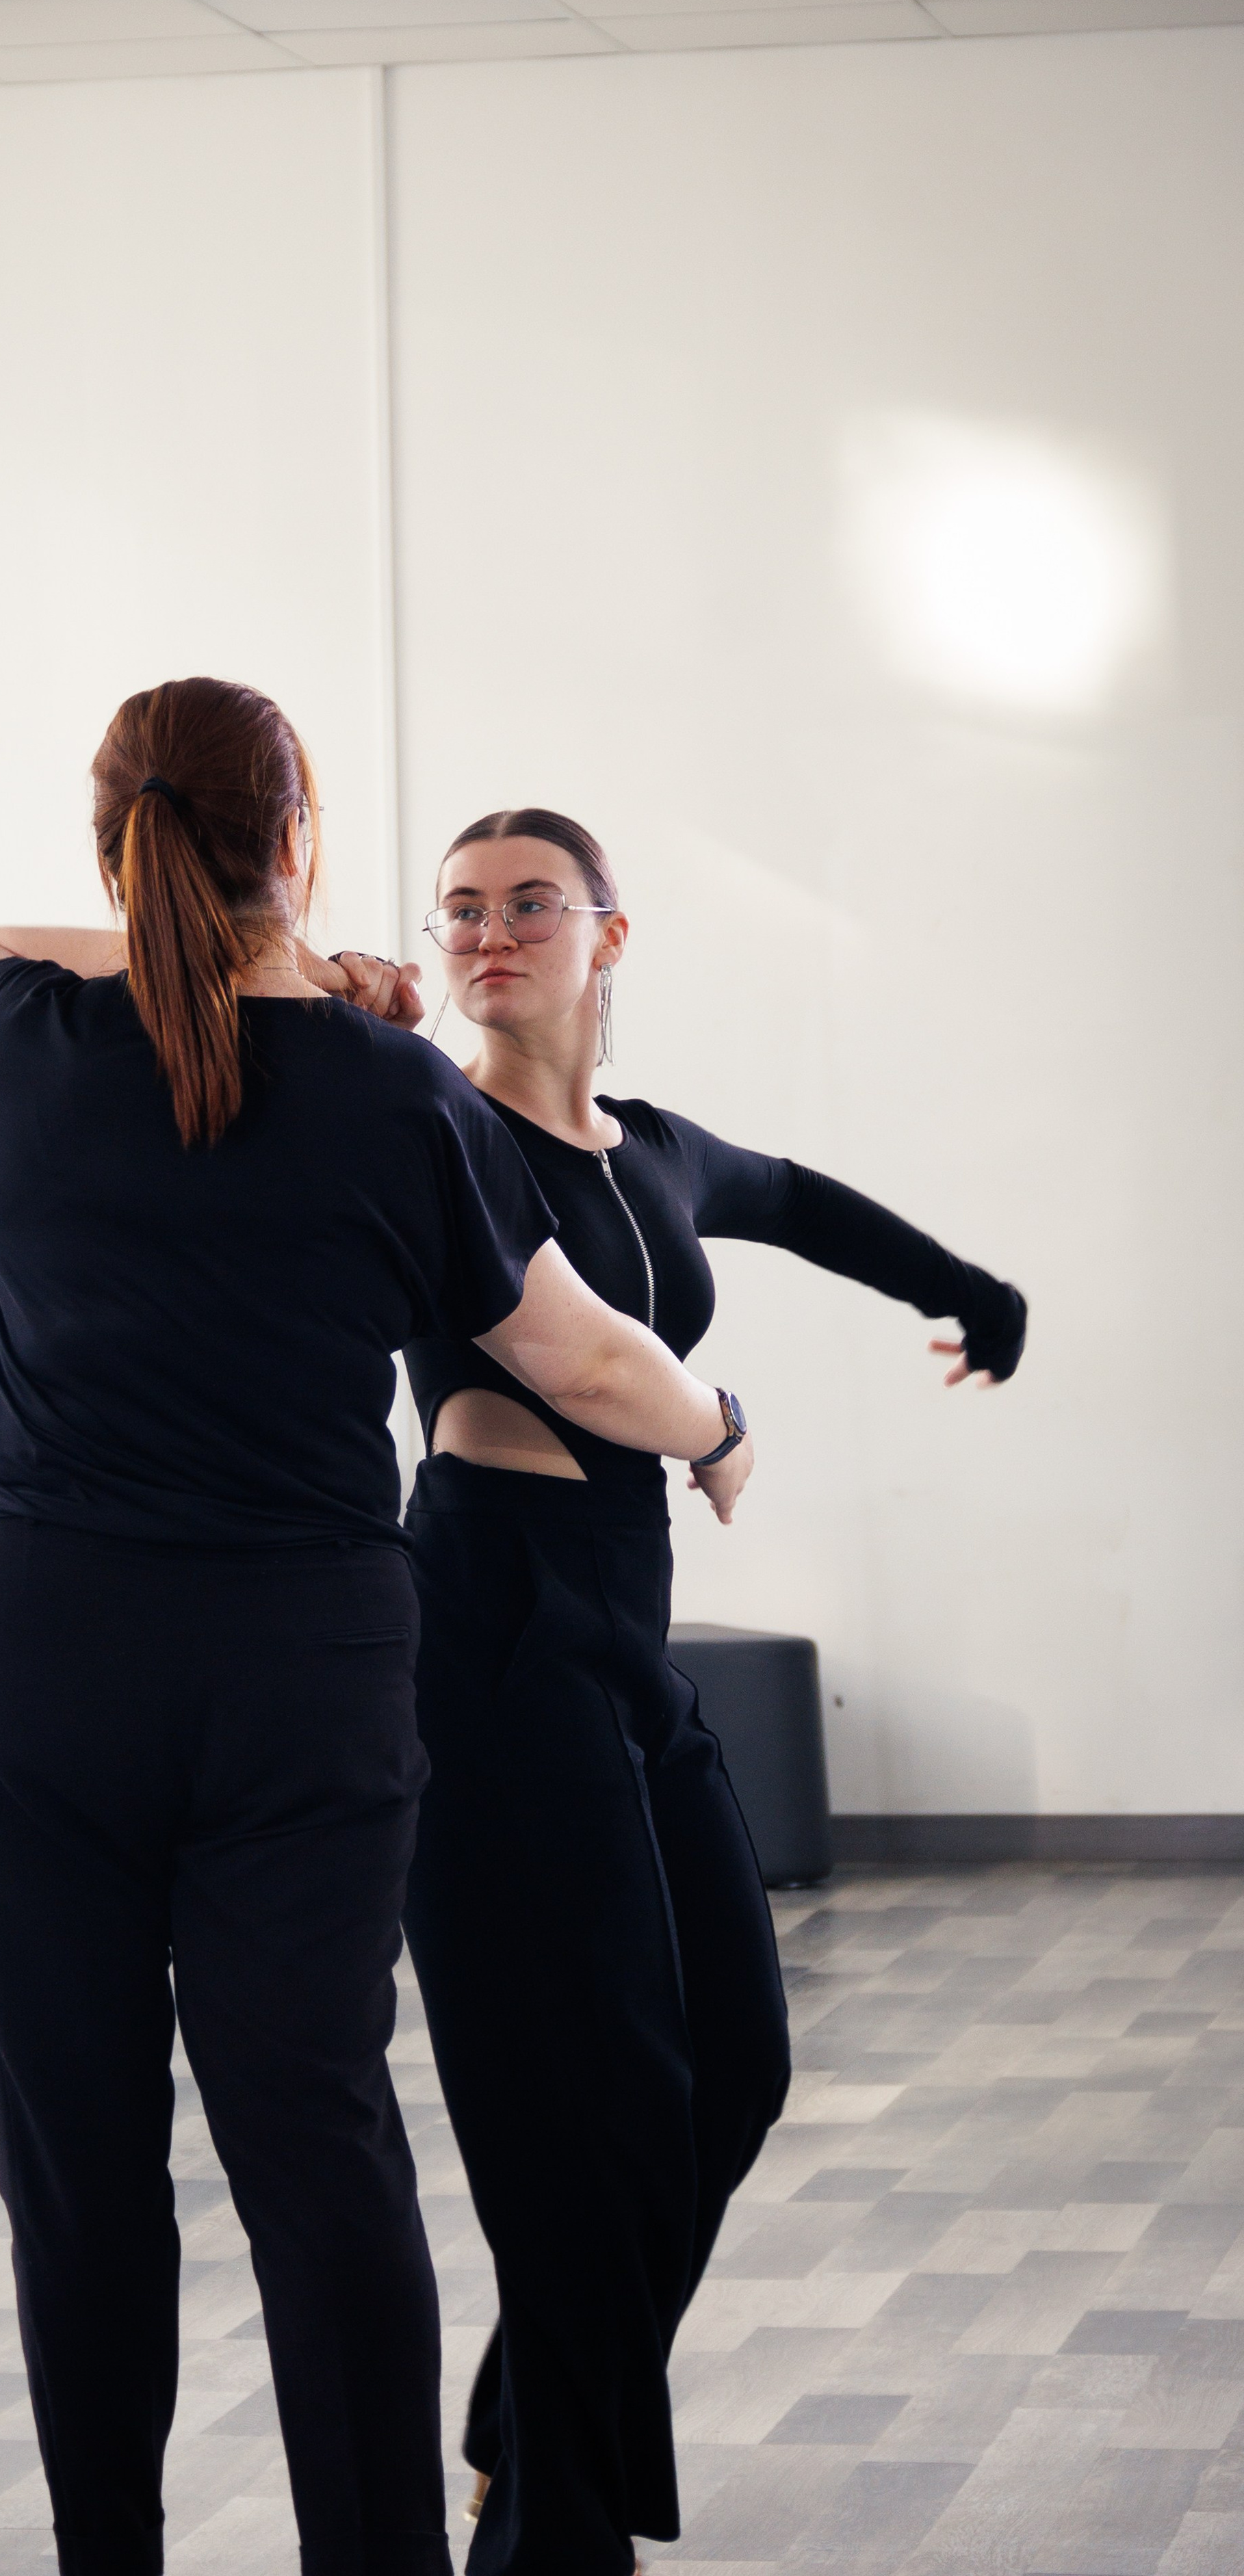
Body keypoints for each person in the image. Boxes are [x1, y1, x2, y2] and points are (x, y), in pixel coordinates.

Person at [0, 686, 749, 2576]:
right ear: (296, 842)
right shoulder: (398, 1095)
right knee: (316, 2146)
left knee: (77, 2175)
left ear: (110, 843)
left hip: (35, 1653)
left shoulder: (8, 1030)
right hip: (296, 1675)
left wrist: (249, 949)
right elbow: (579, 1356)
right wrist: (723, 1426)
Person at [398, 807, 1027, 2576]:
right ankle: (551, 2527)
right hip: (489, 1629)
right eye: (460, 911)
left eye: (532, 903)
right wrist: (723, 1421)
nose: (491, 932)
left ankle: (533, 2415)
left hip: (623, 1638)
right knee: (582, 2115)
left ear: (612, 932)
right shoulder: (435, 1133)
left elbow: (797, 1203)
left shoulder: (653, 1150)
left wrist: (973, 1292)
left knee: (731, 2066)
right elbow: (603, 1374)